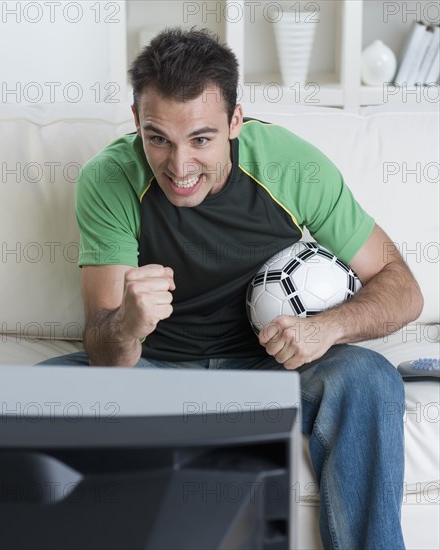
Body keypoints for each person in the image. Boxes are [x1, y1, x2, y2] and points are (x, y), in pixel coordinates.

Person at [41, 28, 423, 548]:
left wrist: (326, 328)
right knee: (33, 400)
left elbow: (402, 287)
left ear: (235, 122)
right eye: (158, 139)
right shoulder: (109, 180)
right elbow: (106, 354)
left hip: (272, 372)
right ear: (136, 123)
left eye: (201, 140)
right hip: (157, 374)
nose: (180, 168)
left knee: (370, 377)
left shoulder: (289, 166)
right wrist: (126, 325)